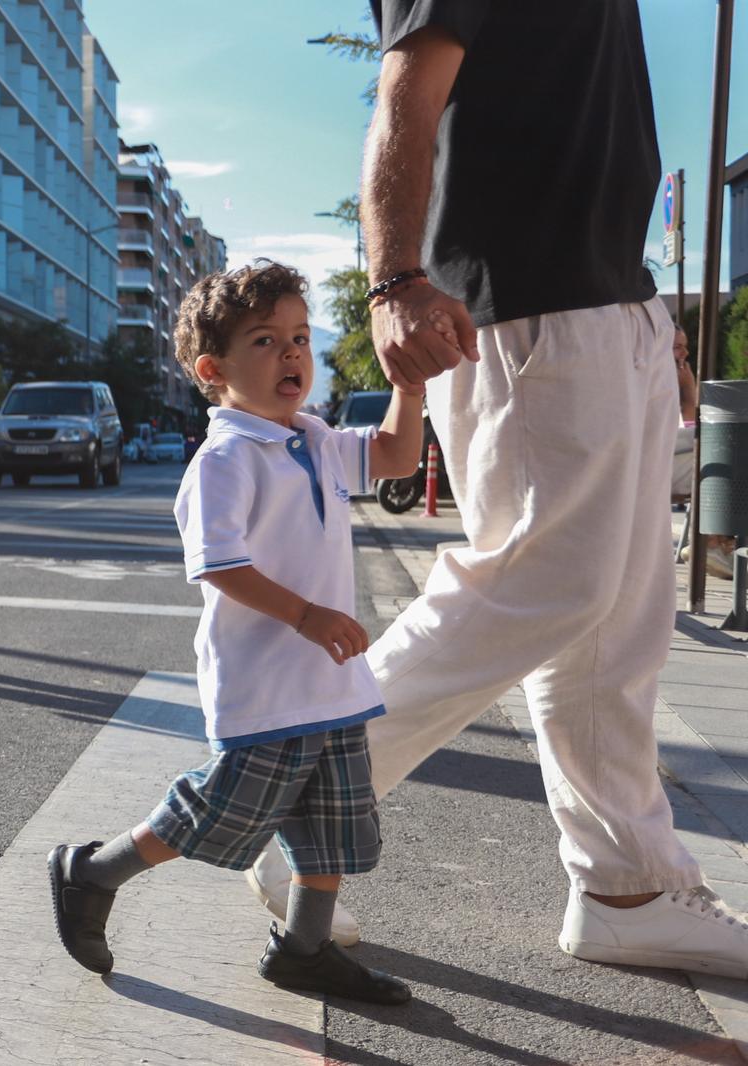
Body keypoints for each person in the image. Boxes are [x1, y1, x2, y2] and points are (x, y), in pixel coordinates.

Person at [245, 1, 748, 977]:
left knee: (617, 622)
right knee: (534, 583)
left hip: (612, 300)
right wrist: (392, 280)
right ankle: (306, 811)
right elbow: (409, 87)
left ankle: (624, 889)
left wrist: (647, 317)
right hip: (525, 307)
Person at [48, 261, 424, 1004]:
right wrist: (307, 616)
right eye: (266, 340)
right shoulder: (223, 460)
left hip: (331, 684)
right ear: (213, 369)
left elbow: (395, 456)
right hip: (265, 686)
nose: (292, 354)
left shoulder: (311, 437)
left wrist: (409, 387)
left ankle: (303, 949)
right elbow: (221, 566)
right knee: (218, 810)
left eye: (300, 338)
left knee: (336, 826)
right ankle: (91, 872)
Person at [673, 328, 734, 579]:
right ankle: (712, 544)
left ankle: (718, 544)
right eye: (677, 346)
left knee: (724, 458)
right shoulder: (646, 384)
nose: (685, 352)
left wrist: (689, 392)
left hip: (669, 463)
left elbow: (689, 425)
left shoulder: (667, 381)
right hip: (653, 470)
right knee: (724, 459)